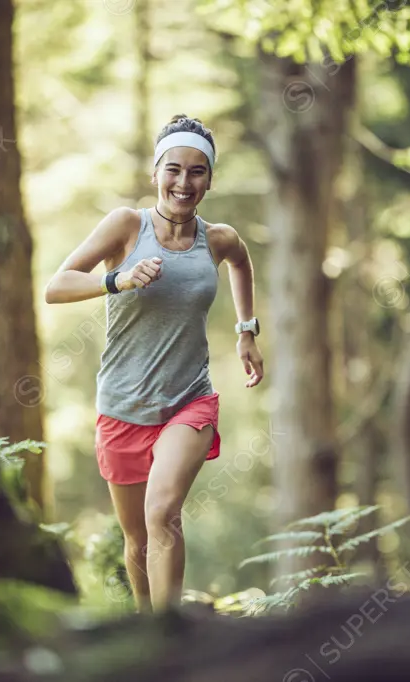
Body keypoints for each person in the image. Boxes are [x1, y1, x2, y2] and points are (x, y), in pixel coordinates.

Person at [44, 114, 264, 614]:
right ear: (155, 172)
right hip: (122, 406)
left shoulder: (218, 238)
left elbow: (241, 260)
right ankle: (147, 633)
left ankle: (171, 631)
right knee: (138, 538)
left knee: (163, 512)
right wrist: (115, 281)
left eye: (197, 172)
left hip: (190, 402)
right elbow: (55, 287)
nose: (184, 183)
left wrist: (247, 331)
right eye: (174, 169)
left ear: (210, 178)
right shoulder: (126, 226)